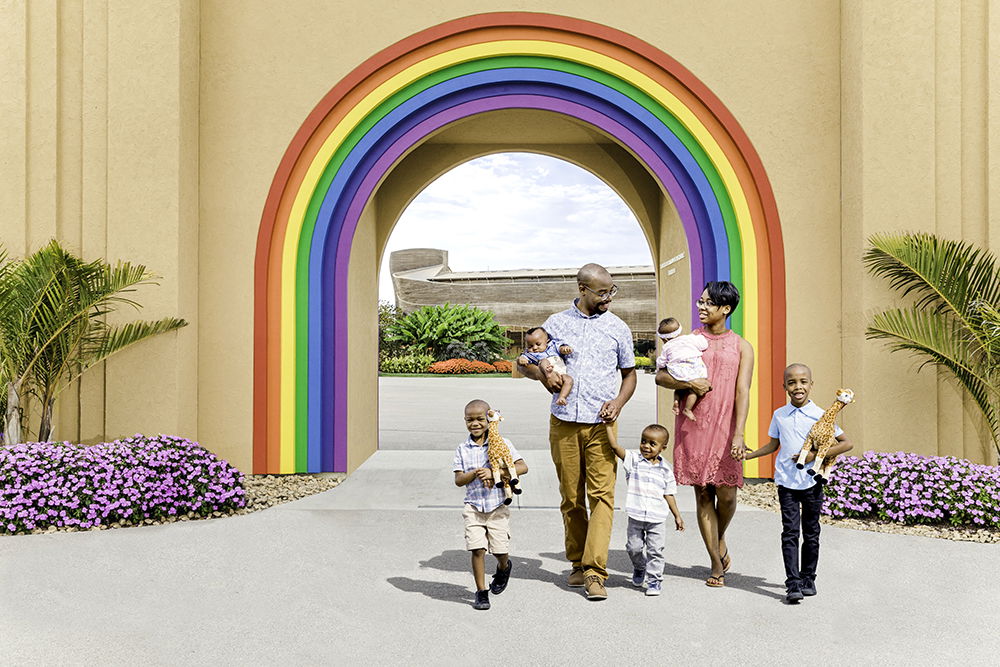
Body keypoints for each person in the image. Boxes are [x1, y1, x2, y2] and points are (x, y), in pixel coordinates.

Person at [517, 263, 636, 601]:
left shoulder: (618, 328)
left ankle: (596, 571)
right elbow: (523, 364)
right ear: (582, 289)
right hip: (564, 423)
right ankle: (578, 562)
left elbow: (630, 375)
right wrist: (542, 373)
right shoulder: (555, 325)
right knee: (571, 498)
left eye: (611, 291)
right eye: (602, 292)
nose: (608, 298)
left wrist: (619, 402)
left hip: (602, 425)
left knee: (602, 497)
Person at [655, 281, 753, 588]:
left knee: (727, 494)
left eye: (708, 303)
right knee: (703, 494)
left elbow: (743, 391)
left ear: (726, 308)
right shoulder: (687, 340)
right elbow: (661, 375)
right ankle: (715, 562)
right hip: (694, 425)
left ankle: (719, 536)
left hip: (726, 429)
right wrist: (688, 386)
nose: (701, 307)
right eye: (700, 301)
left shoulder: (742, 346)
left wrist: (739, 434)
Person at [745, 363, 852, 603]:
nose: (798, 386)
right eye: (792, 382)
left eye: (803, 382)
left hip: (812, 482)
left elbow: (846, 443)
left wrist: (815, 456)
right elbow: (773, 445)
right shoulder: (779, 415)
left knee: (811, 533)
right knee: (790, 533)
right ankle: (792, 583)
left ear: (811, 385)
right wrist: (749, 456)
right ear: (784, 386)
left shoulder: (821, 415)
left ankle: (808, 579)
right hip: (786, 482)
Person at [453, 399, 529, 610]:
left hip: (497, 507)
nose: (474, 424)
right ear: (465, 421)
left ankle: (504, 567)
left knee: (499, 549)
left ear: (489, 418)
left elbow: (522, 467)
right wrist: (475, 473)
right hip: (474, 507)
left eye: (479, 419)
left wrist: (496, 473)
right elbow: (458, 480)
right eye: (470, 420)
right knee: (477, 549)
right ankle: (480, 591)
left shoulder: (502, 443)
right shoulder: (462, 449)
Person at [606, 423, 685, 596]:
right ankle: (640, 567)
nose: (646, 446)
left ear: (662, 448)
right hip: (635, 516)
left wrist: (677, 516)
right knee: (633, 548)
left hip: (657, 519)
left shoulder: (666, 470)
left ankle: (654, 580)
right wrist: (608, 427)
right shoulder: (634, 460)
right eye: (643, 441)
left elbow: (669, 494)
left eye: (652, 443)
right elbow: (614, 447)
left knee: (655, 550)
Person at [655, 317, 709, 421]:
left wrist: (661, 365)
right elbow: (704, 344)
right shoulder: (690, 338)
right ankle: (688, 409)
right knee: (693, 390)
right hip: (692, 368)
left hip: (677, 372)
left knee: (679, 387)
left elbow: (661, 362)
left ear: (664, 339)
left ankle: (676, 401)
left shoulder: (667, 347)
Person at [516, 326, 574, 406]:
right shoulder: (531, 354)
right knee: (543, 361)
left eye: (538, 344)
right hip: (547, 369)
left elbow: (560, 348)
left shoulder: (553, 346)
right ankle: (548, 373)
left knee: (569, 380)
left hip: (561, 372)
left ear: (547, 341)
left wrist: (564, 349)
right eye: (530, 346)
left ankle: (562, 397)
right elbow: (522, 360)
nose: (535, 348)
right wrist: (521, 359)